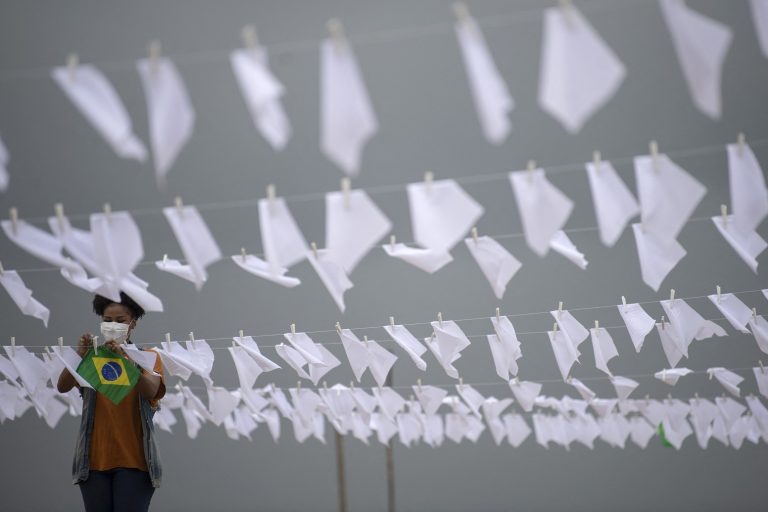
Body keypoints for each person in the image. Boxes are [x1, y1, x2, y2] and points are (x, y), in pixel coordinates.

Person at [57, 292, 166, 512]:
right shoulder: (94, 359)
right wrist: (80, 354)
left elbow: (151, 389)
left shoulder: (148, 357)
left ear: (132, 323)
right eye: (107, 320)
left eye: (120, 321)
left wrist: (125, 361)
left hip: (136, 463)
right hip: (93, 464)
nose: (112, 325)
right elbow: (63, 385)